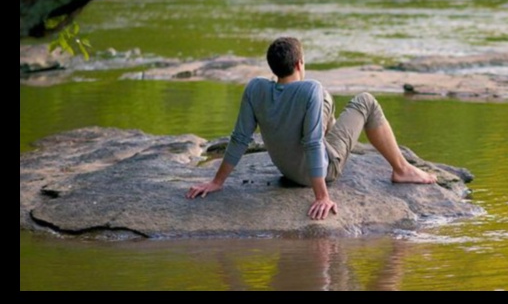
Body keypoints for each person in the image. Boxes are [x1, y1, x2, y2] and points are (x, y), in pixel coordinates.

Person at [187, 37, 437, 220]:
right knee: (366, 101)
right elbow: (313, 142)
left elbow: (241, 137)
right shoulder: (310, 89)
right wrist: (322, 196)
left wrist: (217, 181)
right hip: (323, 171)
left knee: (326, 99)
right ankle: (402, 169)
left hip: (287, 170)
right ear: (299, 64)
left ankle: (340, 140)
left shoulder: (255, 88)